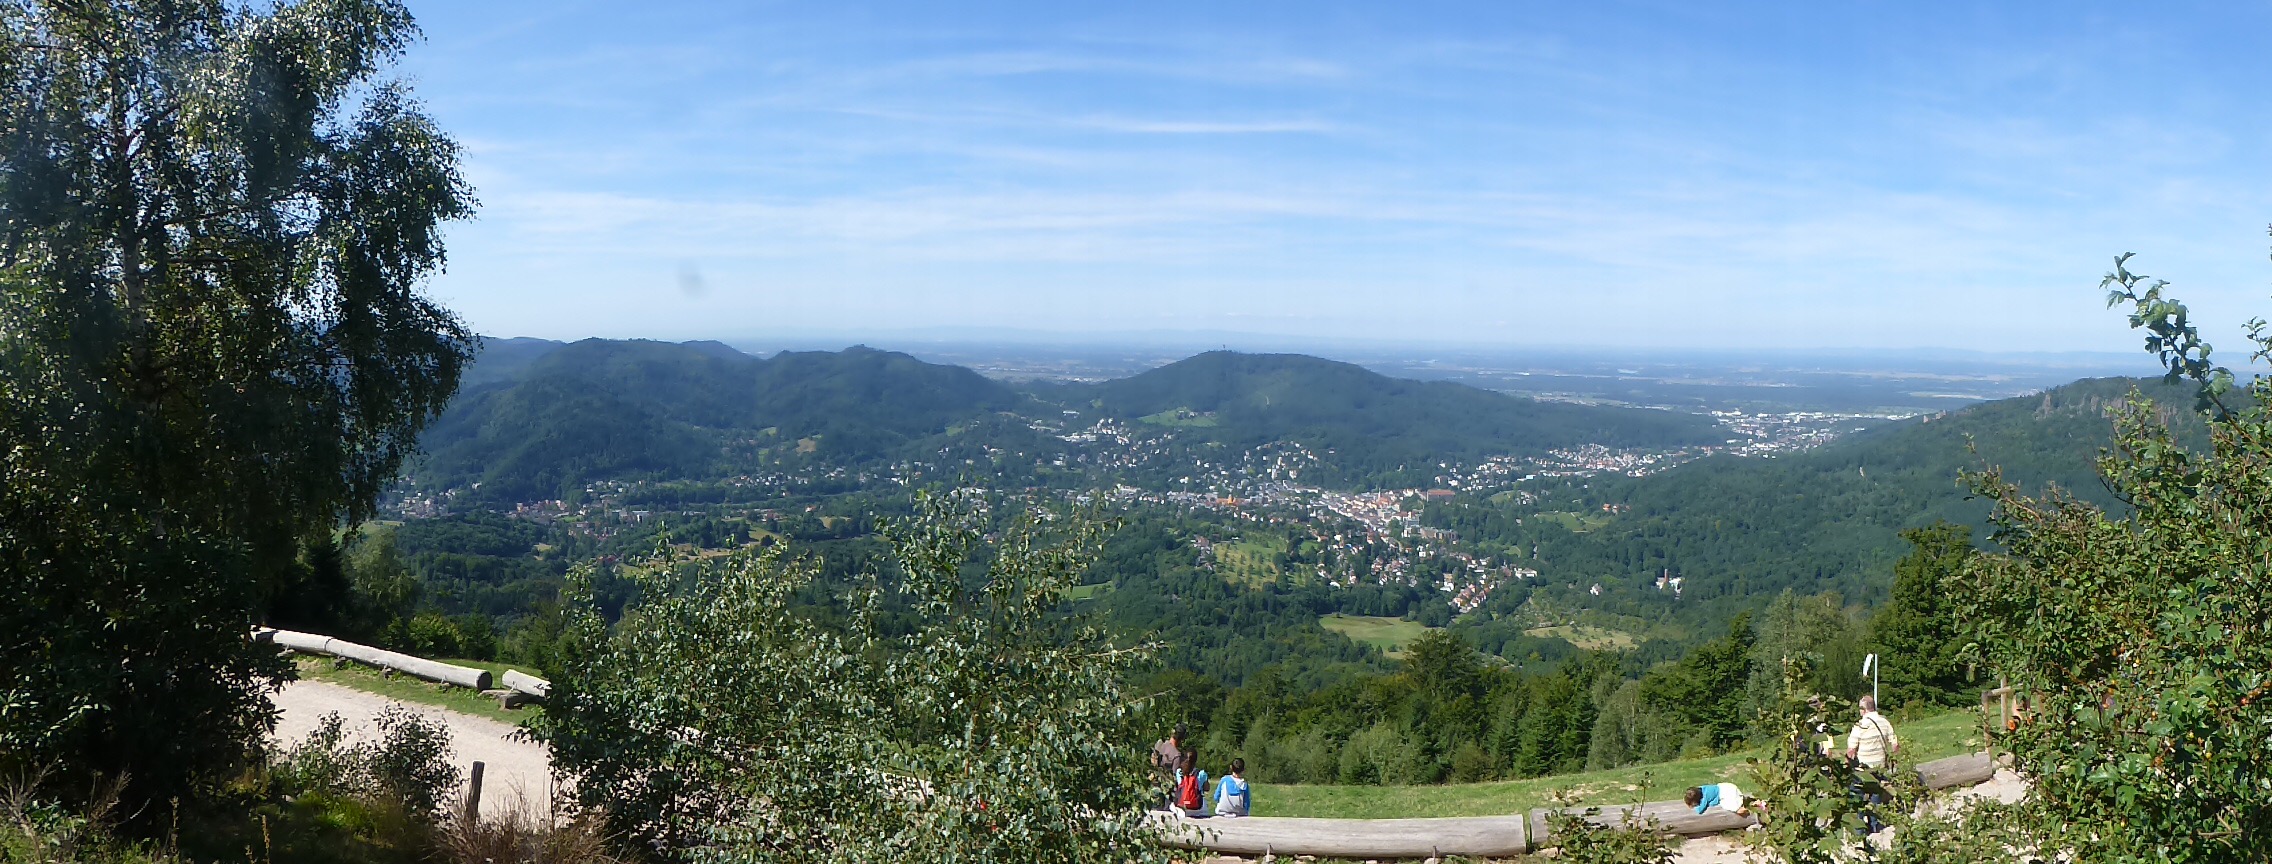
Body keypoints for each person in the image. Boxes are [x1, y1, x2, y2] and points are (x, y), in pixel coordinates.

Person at [1846, 696, 1899, 770]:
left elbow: (1851, 751)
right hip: (1882, 767)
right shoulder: (1885, 722)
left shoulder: (1860, 726)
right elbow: (1895, 745)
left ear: (1863, 709)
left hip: (1865, 769)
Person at [1150, 724, 1186, 809]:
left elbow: (1152, 763)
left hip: (1153, 786)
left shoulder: (1159, 745)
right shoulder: (1176, 755)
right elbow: (1175, 778)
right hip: (1166, 792)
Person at [1173, 750, 1209, 817]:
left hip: (1183, 809)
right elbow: (1207, 789)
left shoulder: (1179, 772)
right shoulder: (1202, 773)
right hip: (1198, 808)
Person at [1684, 782, 1751, 817]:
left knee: (1733, 808)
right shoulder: (1701, 788)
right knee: (1738, 799)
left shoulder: (1705, 797)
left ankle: (1750, 809)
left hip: (1726, 793)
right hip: (1725, 786)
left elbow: (1700, 810)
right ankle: (1749, 802)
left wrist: (1695, 807)